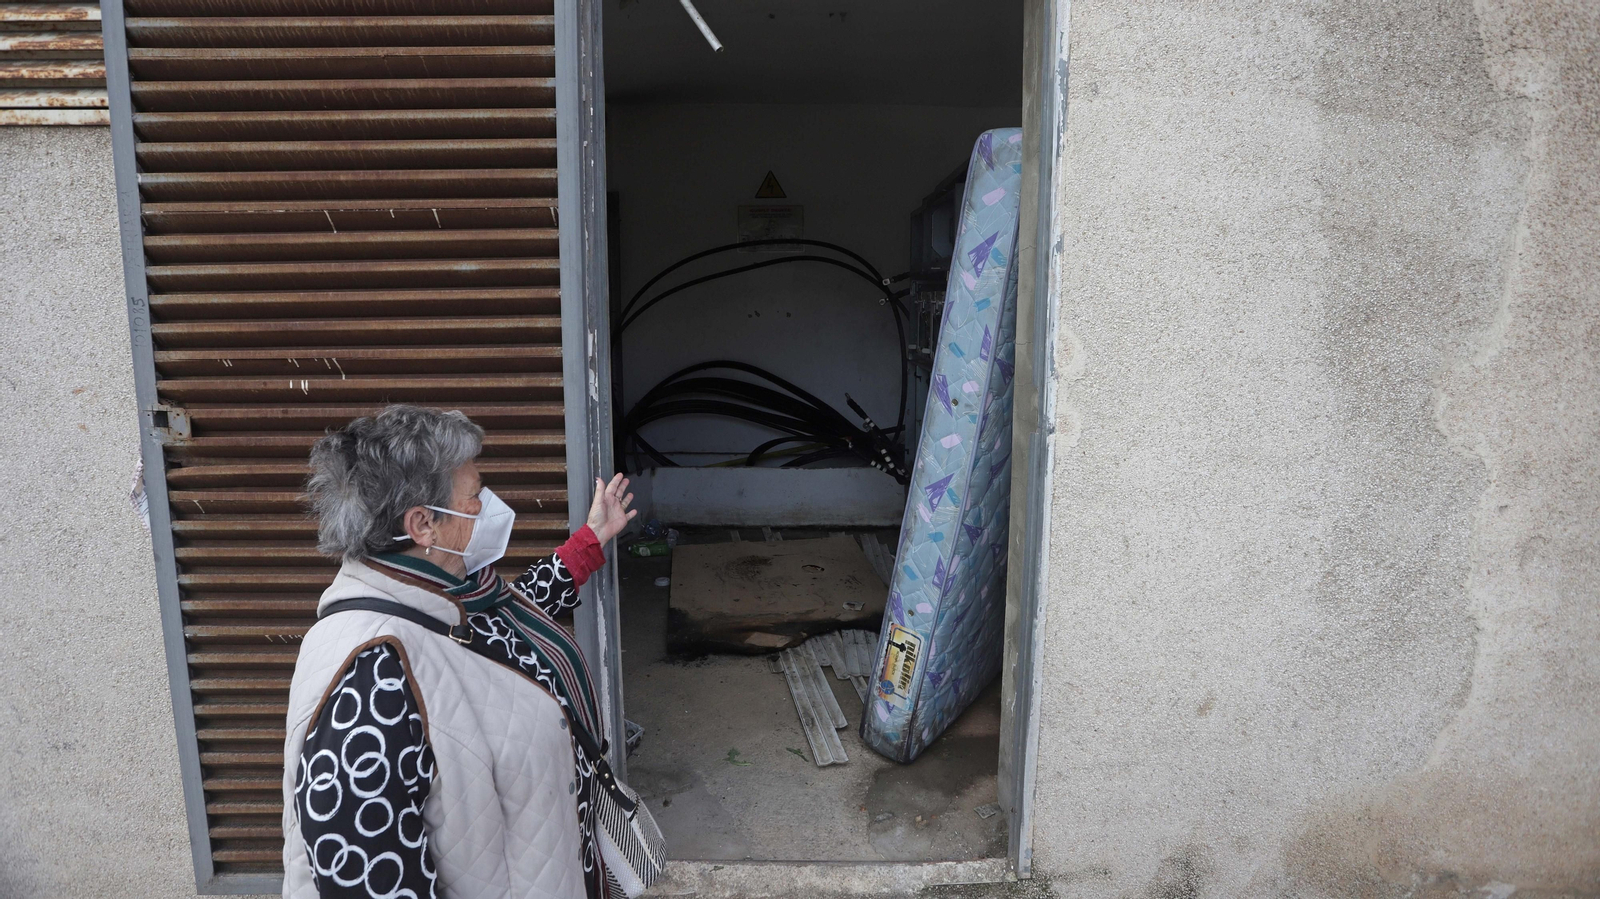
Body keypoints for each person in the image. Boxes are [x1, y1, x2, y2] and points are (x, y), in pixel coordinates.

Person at [282, 404, 637, 899]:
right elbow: (364, 875)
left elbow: (506, 625)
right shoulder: (371, 676)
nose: (486, 505)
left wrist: (588, 544)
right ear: (423, 524)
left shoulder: (442, 594)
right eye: (474, 495)